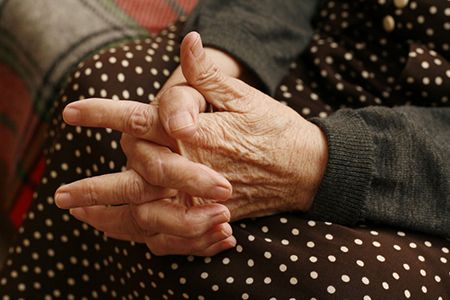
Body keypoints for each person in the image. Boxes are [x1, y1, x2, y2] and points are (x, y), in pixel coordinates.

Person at [1, 0, 449, 298]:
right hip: (327, 50)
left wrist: (322, 160)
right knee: (116, 102)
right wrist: (198, 83)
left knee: (323, 279)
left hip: (429, 163)